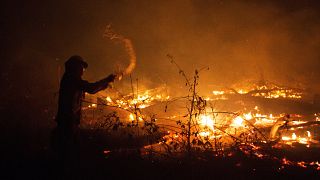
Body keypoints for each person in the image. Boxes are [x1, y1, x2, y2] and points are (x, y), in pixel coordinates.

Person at [52, 55, 116, 159]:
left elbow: (91, 89)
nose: (83, 70)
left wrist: (105, 84)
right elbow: (91, 88)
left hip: (69, 121)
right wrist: (107, 80)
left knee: (73, 150)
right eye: (81, 67)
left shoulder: (71, 78)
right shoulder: (71, 78)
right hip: (67, 121)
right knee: (68, 152)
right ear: (75, 67)